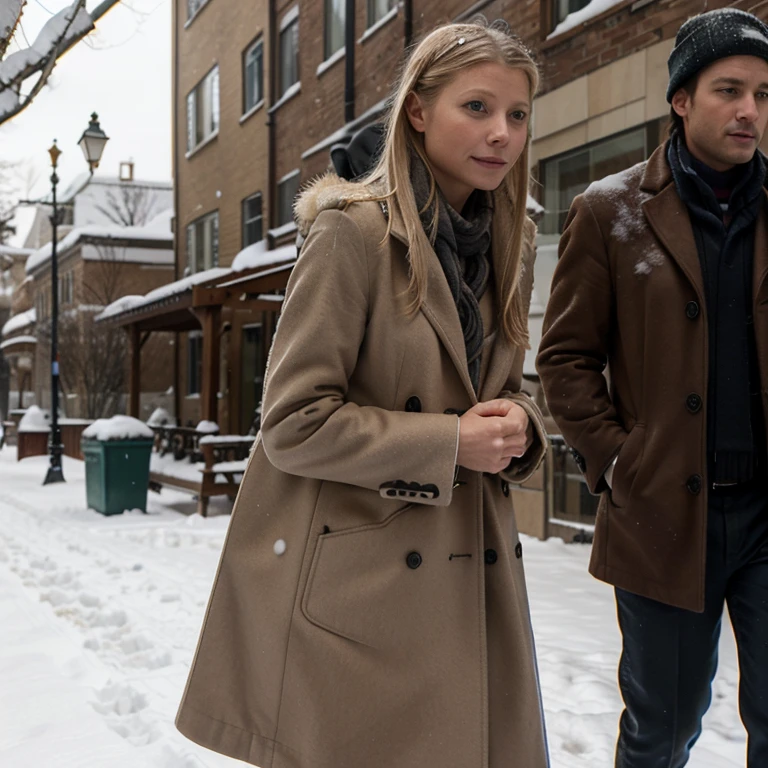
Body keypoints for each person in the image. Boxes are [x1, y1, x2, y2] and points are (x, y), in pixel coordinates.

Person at [176, 19, 550, 768]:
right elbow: (293, 423)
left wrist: (521, 427)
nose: (501, 133)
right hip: (366, 597)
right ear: (418, 110)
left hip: (474, 579)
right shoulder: (351, 234)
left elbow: (502, 395)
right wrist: (449, 443)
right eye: (476, 108)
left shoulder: (514, 242)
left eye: (515, 114)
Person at [537, 8, 768, 767]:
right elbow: (566, 359)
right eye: (729, 90)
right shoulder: (608, 212)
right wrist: (618, 462)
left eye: (764, 95)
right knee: (662, 729)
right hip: (664, 514)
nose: (750, 111)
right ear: (680, 99)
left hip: (767, 513)